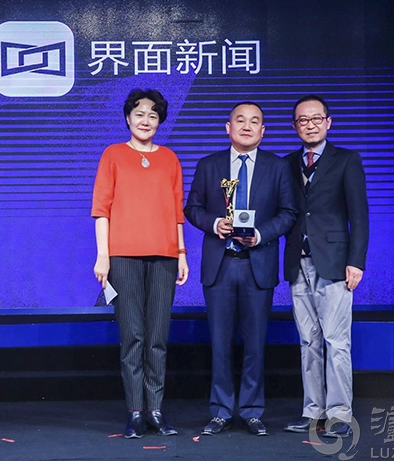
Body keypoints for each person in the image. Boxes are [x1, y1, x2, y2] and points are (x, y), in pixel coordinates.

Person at [185, 102, 296, 436]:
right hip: (219, 266)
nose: (247, 126)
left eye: (255, 121)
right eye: (240, 120)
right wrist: (214, 223)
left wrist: (260, 235)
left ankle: (251, 410)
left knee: (255, 344)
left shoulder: (278, 167)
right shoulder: (209, 165)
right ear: (228, 127)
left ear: (263, 131)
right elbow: (192, 208)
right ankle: (220, 411)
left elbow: (288, 213)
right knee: (219, 344)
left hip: (257, 265)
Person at [91, 88, 189, 439]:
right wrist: (103, 256)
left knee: (157, 337)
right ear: (128, 118)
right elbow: (101, 209)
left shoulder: (170, 159)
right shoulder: (113, 154)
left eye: (153, 115)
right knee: (132, 335)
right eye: (139, 114)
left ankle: (156, 410)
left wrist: (181, 253)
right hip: (123, 257)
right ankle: (135, 412)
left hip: (164, 257)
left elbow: (177, 211)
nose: (146, 120)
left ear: (160, 121)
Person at [283, 95, 369, 438]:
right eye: (303, 120)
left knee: (336, 341)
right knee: (308, 341)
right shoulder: (287, 163)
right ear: (295, 126)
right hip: (297, 262)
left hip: (335, 262)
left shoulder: (346, 159)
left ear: (328, 122)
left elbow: (359, 216)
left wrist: (356, 261)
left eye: (316, 119)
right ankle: (312, 411)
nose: (310, 125)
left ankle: (339, 414)